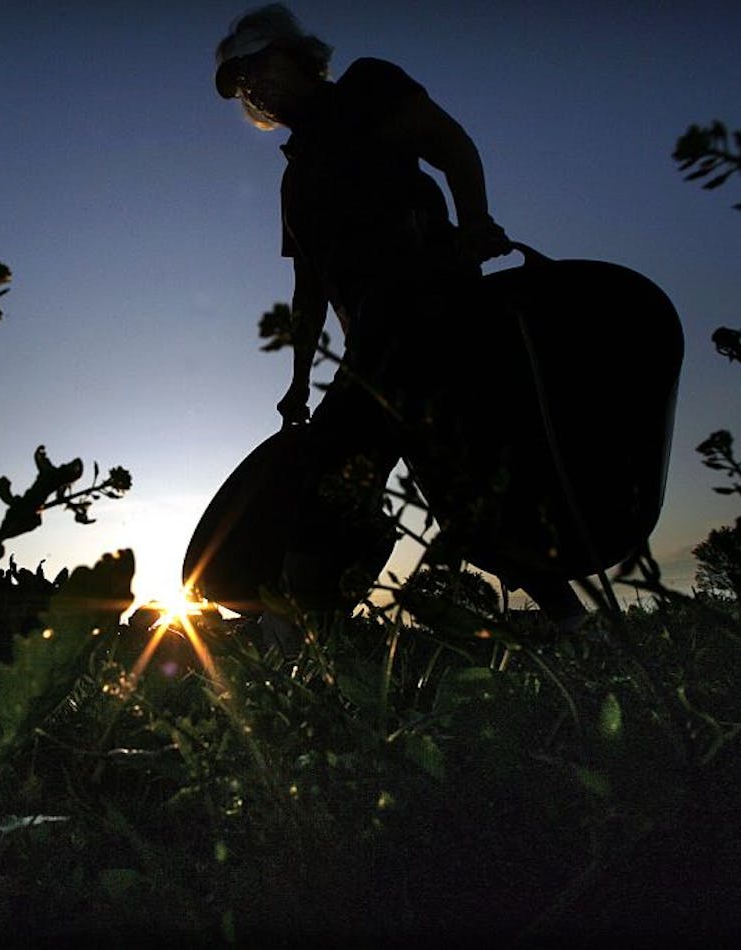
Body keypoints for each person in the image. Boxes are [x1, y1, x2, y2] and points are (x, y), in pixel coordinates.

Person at [214, 4, 586, 622]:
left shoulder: (368, 87)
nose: (255, 87)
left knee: (447, 489)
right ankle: (307, 635)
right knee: (421, 489)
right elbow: (309, 288)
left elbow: (453, 147)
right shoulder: (295, 179)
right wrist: (300, 380)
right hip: (371, 349)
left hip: (438, 313)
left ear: (297, 53)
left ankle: (570, 622)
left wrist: (474, 222)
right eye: (243, 83)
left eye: (259, 66)